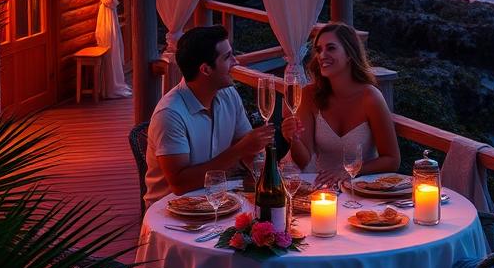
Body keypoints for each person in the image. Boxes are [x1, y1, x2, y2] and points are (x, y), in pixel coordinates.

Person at [144, 25, 275, 207]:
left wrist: (269, 169)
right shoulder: (170, 115)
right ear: (205, 69)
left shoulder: (228, 94)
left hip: (219, 202)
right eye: (228, 57)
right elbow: (180, 184)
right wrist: (240, 150)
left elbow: (248, 149)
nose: (235, 62)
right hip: (172, 212)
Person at [282, 22, 400, 186]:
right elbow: (303, 161)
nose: (322, 55)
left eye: (331, 48)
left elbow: (392, 160)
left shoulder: (370, 97)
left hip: (360, 191)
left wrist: (349, 170)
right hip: (322, 190)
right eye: (319, 50)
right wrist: (293, 139)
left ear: (349, 55)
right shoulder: (309, 95)